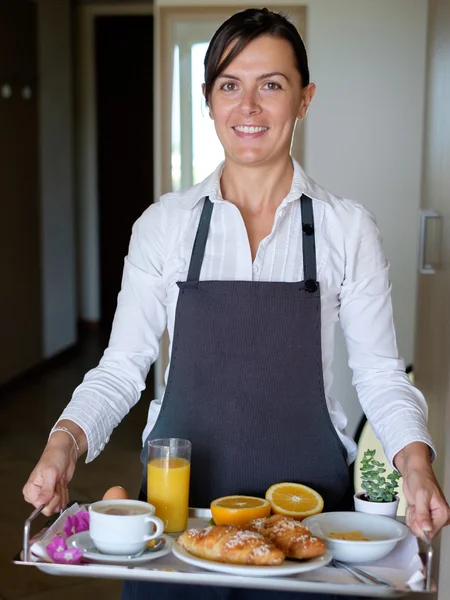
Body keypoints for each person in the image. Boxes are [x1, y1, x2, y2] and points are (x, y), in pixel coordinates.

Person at [23, 8, 449, 600]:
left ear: (304, 99)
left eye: (271, 85)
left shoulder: (347, 230)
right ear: (209, 99)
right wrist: (63, 443)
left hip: (309, 524)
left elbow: (378, 372)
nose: (248, 107)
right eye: (230, 85)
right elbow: (123, 367)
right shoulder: (163, 227)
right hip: (177, 524)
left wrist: (417, 464)